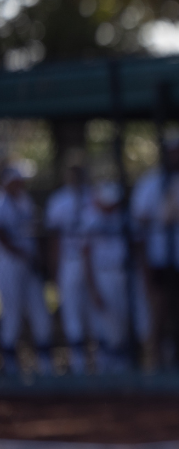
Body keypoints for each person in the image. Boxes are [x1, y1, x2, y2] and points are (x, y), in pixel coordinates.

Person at [131, 130, 179, 370]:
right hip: (159, 257)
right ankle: (154, 362)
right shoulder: (151, 182)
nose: (176, 155)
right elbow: (139, 220)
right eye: (172, 151)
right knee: (158, 310)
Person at [80, 182, 139, 373]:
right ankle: (106, 372)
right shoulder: (89, 218)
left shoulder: (124, 218)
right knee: (105, 324)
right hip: (102, 275)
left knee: (123, 324)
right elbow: (86, 257)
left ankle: (122, 369)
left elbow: (138, 248)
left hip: (123, 274)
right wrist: (92, 288)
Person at [0, 166, 54, 374]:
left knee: (40, 311)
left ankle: (46, 365)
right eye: (18, 180)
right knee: (13, 313)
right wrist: (23, 254)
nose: (22, 183)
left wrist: (36, 257)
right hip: (9, 265)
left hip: (28, 264)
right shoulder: (2, 203)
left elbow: (34, 231)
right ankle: (10, 366)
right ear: (8, 181)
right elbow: (3, 236)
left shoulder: (25, 201)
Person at [45, 160, 93, 373]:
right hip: (70, 261)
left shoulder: (94, 196)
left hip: (93, 262)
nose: (75, 177)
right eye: (72, 174)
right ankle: (78, 363)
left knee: (94, 311)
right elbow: (54, 239)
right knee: (72, 312)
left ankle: (103, 362)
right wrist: (54, 268)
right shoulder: (58, 200)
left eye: (79, 173)